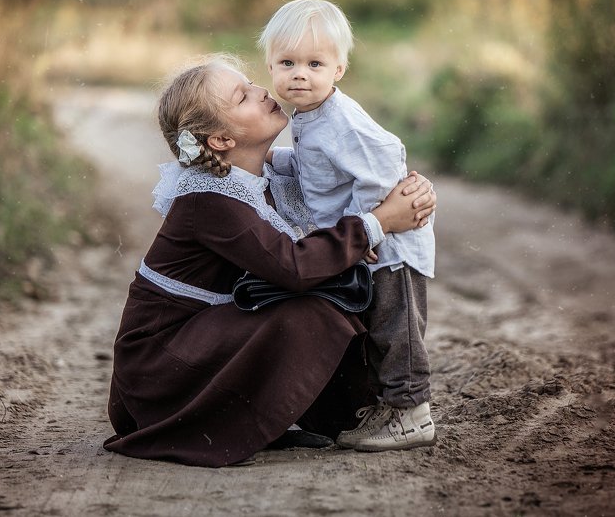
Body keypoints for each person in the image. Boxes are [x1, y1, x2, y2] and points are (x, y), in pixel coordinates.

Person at [103, 52, 436, 468]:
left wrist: (404, 196)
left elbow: (344, 178)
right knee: (310, 308)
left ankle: (353, 409)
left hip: (204, 339)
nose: (261, 91)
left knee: (345, 284)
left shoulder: (265, 177)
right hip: (161, 370)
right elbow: (293, 267)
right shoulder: (208, 198)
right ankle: (230, 419)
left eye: (251, 84)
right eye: (243, 96)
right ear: (222, 141)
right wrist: (379, 222)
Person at [259, 0, 436, 452]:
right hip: (366, 242)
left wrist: (365, 225)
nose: (300, 74)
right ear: (270, 66)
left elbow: (384, 163)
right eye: (288, 63)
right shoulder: (307, 118)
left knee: (398, 329)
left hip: (391, 247)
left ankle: (413, 412)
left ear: (339, 69)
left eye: (315, 63)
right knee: (375, 327)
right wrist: (268, 161)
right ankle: (388, 405)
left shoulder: (342, 121)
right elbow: (315, 168)